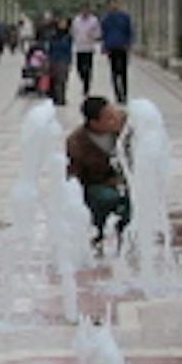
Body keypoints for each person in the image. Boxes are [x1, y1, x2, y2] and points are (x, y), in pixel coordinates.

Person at [66, 95, 132, 250]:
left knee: (134, 200)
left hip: (126, 182)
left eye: (114, 113)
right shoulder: (77, 143)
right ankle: (97, 231)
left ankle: (126, 232)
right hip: (98, 185)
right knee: (106, 198)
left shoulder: (125, 130)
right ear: (94, 123)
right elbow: (73, 175)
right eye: (109, 118)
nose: (115, 119)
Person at [100, 0, 134, 102]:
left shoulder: (125, 17)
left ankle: (124, 93)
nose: (113, 5)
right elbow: (104, 34)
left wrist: (129, 44)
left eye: (114, 3)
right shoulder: (105, 19)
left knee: (123, 71)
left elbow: (129, 31)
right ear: (108, 5)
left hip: (122, 46)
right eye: (110, 4)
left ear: (118, 4)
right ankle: (117, 94)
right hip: (111, 47)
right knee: (114, 71)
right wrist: (104, 46)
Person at [70, 5, 102, 95]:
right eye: (83, 10)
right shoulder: (76, 20)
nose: (85, 12)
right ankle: (84, 79)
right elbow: (73, 32)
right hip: (79, 48)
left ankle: (86, 85)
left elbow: (98, 33)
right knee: (79, 68)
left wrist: (93, 35)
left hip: (89, 48)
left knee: (88, 68)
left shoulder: (94, 20)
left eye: (86, 10)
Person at [46, 16, 73, 107]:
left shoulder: (68, 36)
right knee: (55, 79)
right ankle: (56, 97)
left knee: (62, 79)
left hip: (63, 59)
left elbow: (69, 50)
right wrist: (48, 60)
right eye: (61, 23)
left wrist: (69, 61)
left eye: (64, 23)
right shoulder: (53, 36)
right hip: (54, 59)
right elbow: (50, 48)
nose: (62, 25)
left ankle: (61, 98)